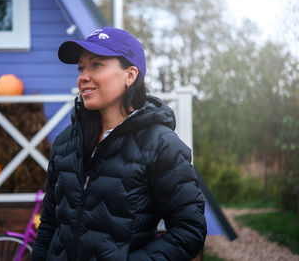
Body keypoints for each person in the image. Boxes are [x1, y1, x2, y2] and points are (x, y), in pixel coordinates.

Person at [31, 27, 206, 261]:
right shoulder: (66, 142)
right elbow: (50, 225)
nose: (83, 76)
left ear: (130, 75)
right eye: (81, 67)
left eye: (96, 65)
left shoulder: (161, 145)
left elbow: (189, 230)